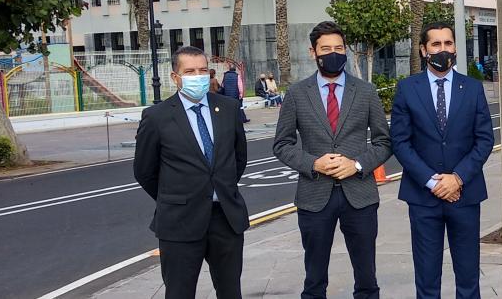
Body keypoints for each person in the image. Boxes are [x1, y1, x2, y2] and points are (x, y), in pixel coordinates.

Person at [273, 21, 392, 299]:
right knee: (314, 280)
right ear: (313, 52)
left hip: (359, 197)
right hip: (314, 197)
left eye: (339, 48)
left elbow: (383, 142)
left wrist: (358, 165)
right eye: (326, 49)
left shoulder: (365, 91)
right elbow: (282, 144)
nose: (333, 53)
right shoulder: (297, 94)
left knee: (367, 279)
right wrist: (313, 163)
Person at [133, 46, 249, 299]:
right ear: (176, 77)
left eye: (202, 70)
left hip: (225, 218)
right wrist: (178, 197)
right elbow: (144, 171)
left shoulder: (229, 108)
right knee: (180, 292)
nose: (197, 76)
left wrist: (218, 189)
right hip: (179, 221)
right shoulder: (156, 117)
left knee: (231, 292)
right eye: (190, 71)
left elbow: (239, 158)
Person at [390, 22, 495, 298]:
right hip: (423, 198)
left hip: (466, 195)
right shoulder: (407, 89)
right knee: (426, 280)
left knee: (469, 279)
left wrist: (457, 178)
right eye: (435, 44)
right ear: (424, 50)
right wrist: (432, 181)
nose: (443, 50)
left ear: (456, 48)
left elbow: (484, 139)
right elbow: (400, 142)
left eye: (448, 44)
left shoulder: (472, 88)